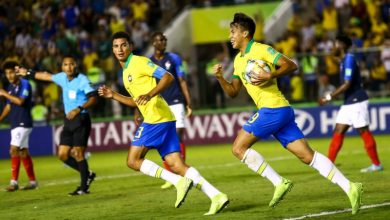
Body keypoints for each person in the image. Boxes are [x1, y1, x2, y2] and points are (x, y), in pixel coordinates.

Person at [213, 13, 362, 214]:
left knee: (238, 148)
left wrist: (270, 73)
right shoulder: (239, 60)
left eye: (233, 31)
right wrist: (221, 78)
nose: (230, 36)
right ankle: (351, 187)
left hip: (272, 108)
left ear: (245, 33)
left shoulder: (262, 49)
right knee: (308, 156)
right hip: (280, 110)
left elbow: (292, 64)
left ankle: (279, 182)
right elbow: (233, 92)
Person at [98, 31, 228, 215]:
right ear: (112, 49)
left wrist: (150, 94)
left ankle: (177, 182)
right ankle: (216, 196)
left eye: (123, 45)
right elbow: (136, 101)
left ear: (131, 46)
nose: (120, 49)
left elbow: (168, 77)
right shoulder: (126, 70)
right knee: (177, 165)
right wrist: (113, 95)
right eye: (116, 46)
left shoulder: (139, 62)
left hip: (156, 118)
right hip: (162, 118)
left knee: (133, 160)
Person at [15, 55, 97, 195]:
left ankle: (84, 187)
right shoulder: (62, 78)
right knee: (63, 155)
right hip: (68, 121)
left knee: (78, 153)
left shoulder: (82, 80)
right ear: (62, 67)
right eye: (65, 64)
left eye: (71, 64)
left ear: (76, 65)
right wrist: (27, 72)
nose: (69, 67)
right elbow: (45, 76)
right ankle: (87, 174)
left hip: (81, 120)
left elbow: (94, 98)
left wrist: (78, 109)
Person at [134, 32, 193, 189]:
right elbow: (142, 88)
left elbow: (181, 80)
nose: (162, 42)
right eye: (158, 40)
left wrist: (188, 101)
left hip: (175, 100)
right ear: (153, 43)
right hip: (159, 104)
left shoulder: (174, 58)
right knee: (165, 141)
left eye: (164, 40)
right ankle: (172, 175)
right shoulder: (148, 62)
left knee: (179, 135)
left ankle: (180, 171)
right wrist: (138, 110)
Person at [319, 35, 383, 173]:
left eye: (335, 44)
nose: (332, 47)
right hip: (349, 102)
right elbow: (335, 56)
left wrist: (329, 96)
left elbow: (347, 84)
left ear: (341, 45)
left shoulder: (349, 59)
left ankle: (377, 164)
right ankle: (329, 166)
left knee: (363, 131)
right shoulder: (343, 60)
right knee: (338, 130)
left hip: (357, 101)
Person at [0, 61, 38, 192]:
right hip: (15, 123)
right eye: (6, 73)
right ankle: (33, 182)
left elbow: (20, 101)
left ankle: (14, 182)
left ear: (16, 71)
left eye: (11, 72)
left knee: (13, 149)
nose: (9, 76)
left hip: (24, 122)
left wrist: (4, 94)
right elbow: (9, 106)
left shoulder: (25, 84)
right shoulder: (11, 87)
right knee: (23, 152)